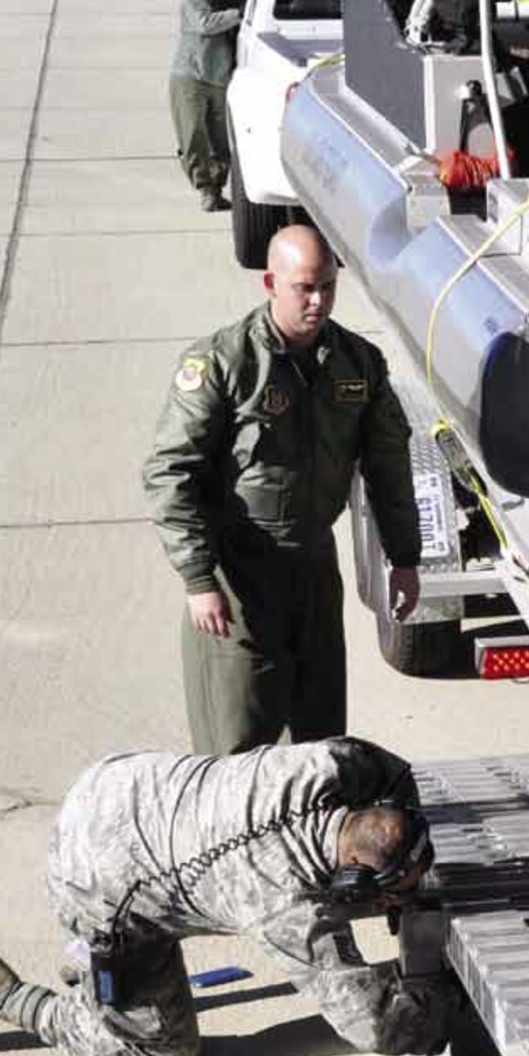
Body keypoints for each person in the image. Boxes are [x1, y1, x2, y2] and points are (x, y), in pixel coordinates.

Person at [0, 737, 455, 1056]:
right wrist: (439, 998)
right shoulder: (280, 902)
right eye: (390, 890)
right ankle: (7, 996)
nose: (399, 900)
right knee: (162, 1054)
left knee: (338, 901)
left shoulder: (331, 764)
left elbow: (398, 775)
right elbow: (376, 1027)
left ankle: (94, 974)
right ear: (357, 873)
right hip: (97, 883)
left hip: (116, 785)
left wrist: (406, 885)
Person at [143, 225, 423, 755]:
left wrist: (404, 557)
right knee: (238, 742)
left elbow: (389, 464)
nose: (318, 302)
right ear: (271, 282)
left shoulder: (358, 362)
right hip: (240, 579)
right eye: (304, 288)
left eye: (328, 287)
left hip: (314, 568)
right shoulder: (224, 365)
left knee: (320, 744)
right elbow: (170, 472)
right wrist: (199, 578)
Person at [171, 0, 244, 213]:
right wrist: (238, 14)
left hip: (220, 79)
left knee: (220, 141)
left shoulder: (238, 1)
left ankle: (215, 188)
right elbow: (205, 24)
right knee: (193, 136)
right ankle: (204, 187)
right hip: (190, 77)